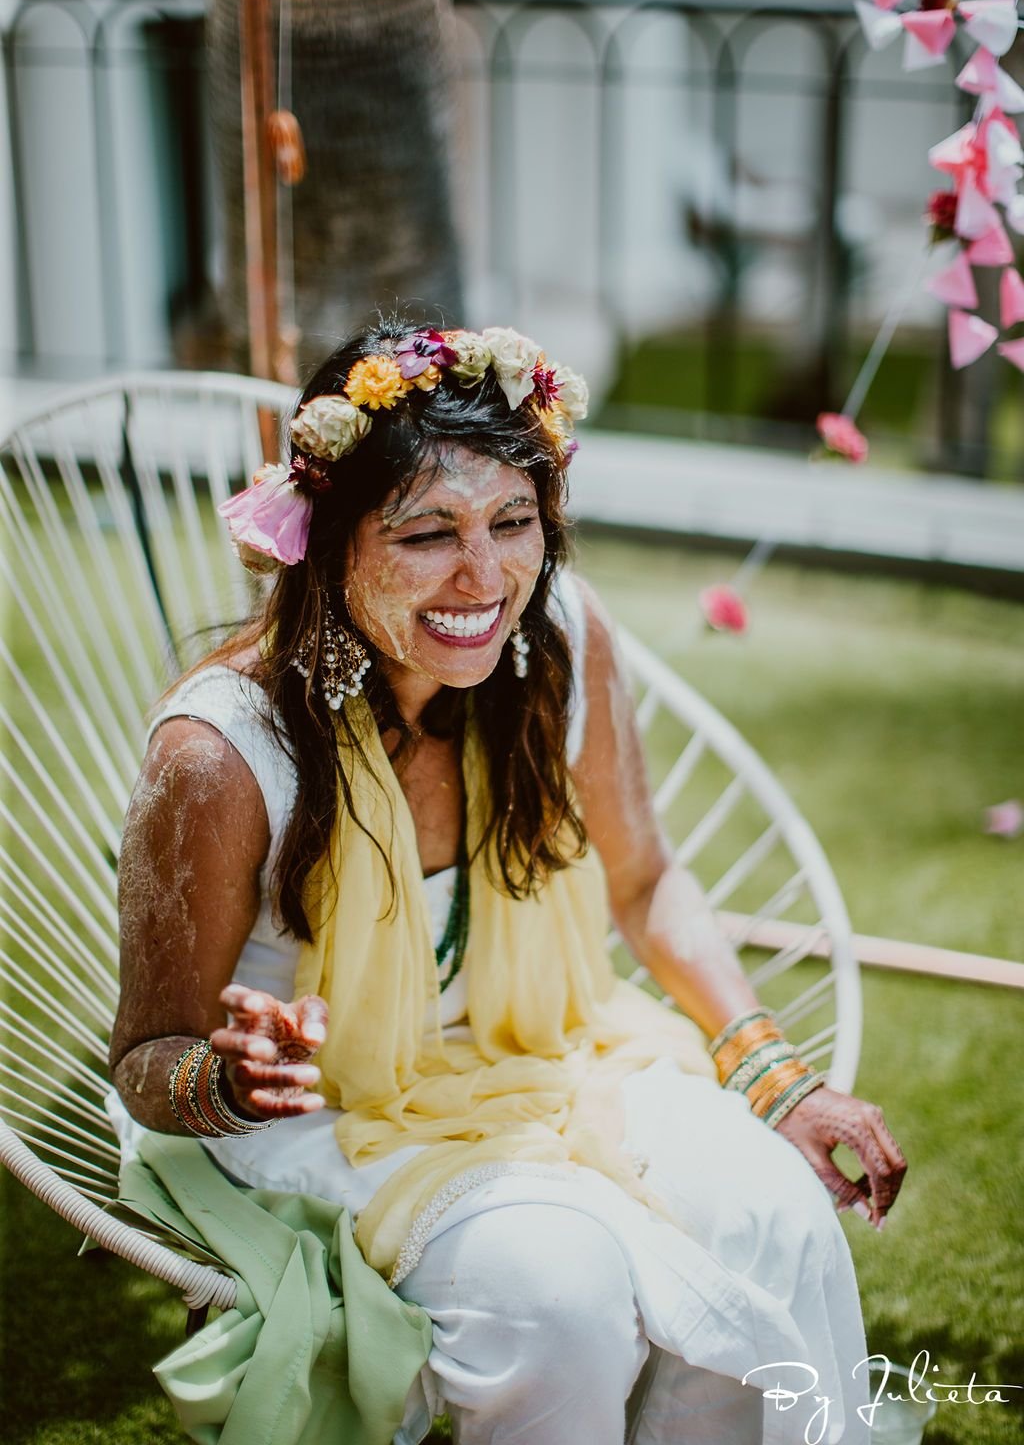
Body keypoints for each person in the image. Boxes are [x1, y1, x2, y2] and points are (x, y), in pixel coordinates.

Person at [109, 316, 907, 1445]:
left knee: (774, 1218)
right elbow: (147, 1058)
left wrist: (773, 1076)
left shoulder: (560, 639)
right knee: (559, 1301)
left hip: (538, 1049)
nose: (483, 577)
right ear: (325, 542)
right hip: (323, 1112)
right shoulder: (222, 758)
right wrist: (231, 1078)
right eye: (427, 533)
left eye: (513, 521)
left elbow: (644, 882)